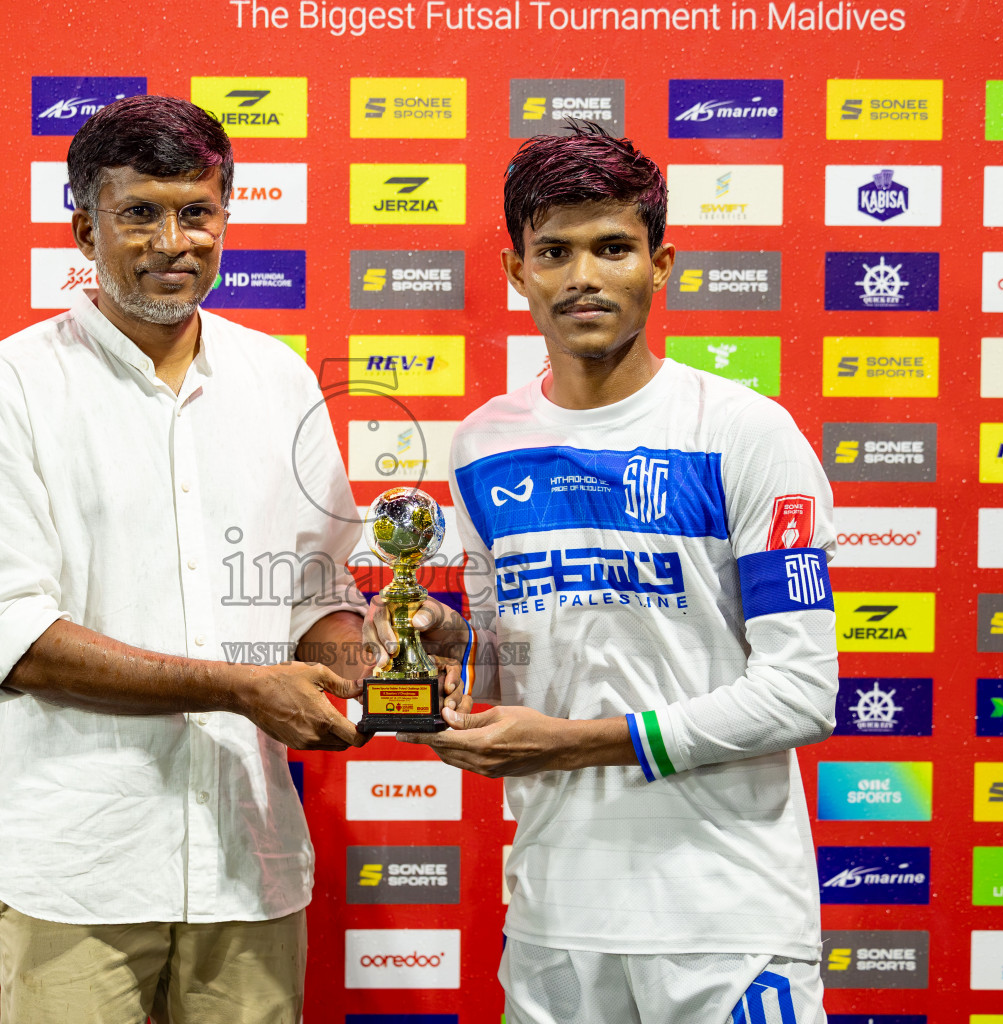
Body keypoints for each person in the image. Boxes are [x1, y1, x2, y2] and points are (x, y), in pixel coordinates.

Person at [388, 122, 839, 1023]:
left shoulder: (743, 432)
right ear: (517, 272)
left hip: (727, 922)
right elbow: (510, 676)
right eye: (553, 250)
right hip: (556, 919)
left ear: (661, 264)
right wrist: (446, 646)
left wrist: (576, 743)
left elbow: (800, 694)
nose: (583, 275)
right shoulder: (483, 444)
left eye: (612, 248)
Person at [0, 94, 372, 1024]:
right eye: (139, 213)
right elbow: (20, 641)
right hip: (78, 875)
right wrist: (241, 687)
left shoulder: (280, 379)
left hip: (246, 865)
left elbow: (317, 595)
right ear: (83, 225)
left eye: (197, 211)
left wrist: (387, 653)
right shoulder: (11, 385)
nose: (173, 241)